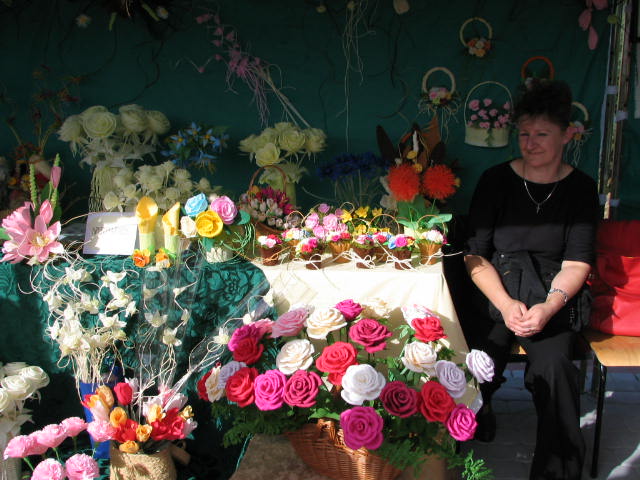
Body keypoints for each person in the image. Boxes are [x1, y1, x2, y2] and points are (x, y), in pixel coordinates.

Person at [463, 80, 600, 480]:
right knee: (477, 358)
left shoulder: (581, 189)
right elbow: (475, 255)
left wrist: (548, 307)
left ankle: (557, 470)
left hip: (550, 292)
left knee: (555, 368)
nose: (531, 143)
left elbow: (577, 263)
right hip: (496, 286)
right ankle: (476, 413)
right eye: (524, 134)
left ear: (566, 135)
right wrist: (506, 305)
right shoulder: (495, 180)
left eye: (542, 134)